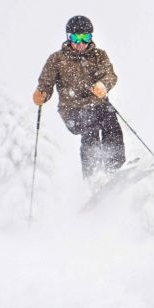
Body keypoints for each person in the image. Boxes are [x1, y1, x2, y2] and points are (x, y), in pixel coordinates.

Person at [33, 15, 125, 183]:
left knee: (110, 119)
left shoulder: (99, 56)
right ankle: (93, 175)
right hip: (72, 110)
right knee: (90, 124)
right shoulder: (57, 59)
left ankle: (114, 166)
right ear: (68, 38)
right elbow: (46, 82)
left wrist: (103, 85)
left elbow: (110, 75)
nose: (80, 43)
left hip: (98, 105)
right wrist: (42, 93)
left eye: (85, 38)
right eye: (76, 38)